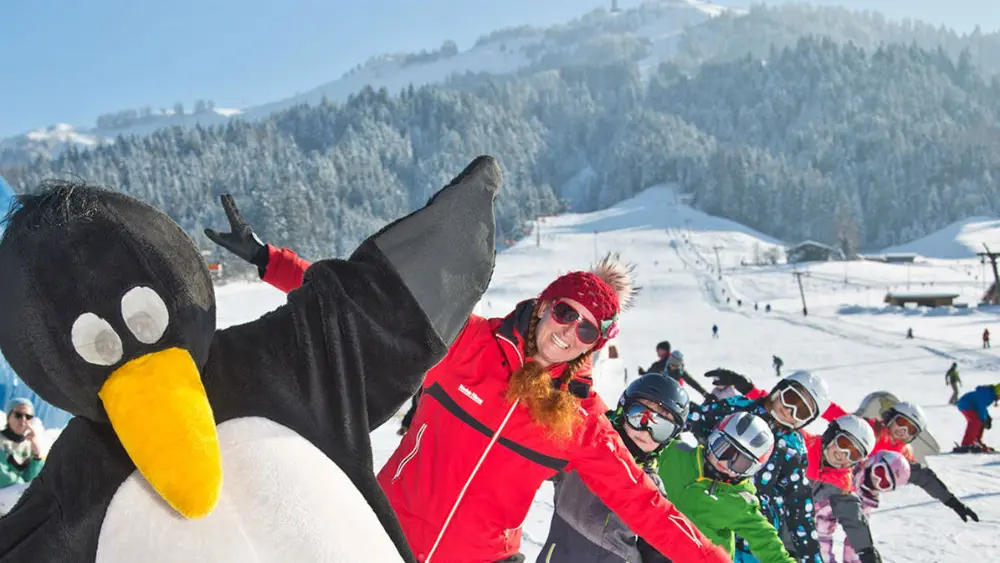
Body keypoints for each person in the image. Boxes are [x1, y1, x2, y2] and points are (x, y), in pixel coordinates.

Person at [233, 245, 732, 563]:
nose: (568, 332)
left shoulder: (579, 422)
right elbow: (370, 311)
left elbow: (644, 505)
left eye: (586, 329)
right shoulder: (467, 342)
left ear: (593, 346)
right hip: (380, 538)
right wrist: (274, 263)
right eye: (565, 312)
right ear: (544, 305)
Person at [536, 372, 690, 563]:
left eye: (661, 428)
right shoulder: (587, 448)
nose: (646, 431)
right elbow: (532, 460)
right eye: (640, 416)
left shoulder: (651, 488)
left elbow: (659, 548)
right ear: (624, 411)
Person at [699, 370, 830, 563]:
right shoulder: (737, 410)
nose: (790, 410)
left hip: (752, 536)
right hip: (707, 514)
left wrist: (811, 557)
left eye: (801, 412)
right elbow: (694, 420)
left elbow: (798, 505)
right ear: (779, 390)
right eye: (791, 399)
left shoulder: (792, 448)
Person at [642, 412, 794, 563]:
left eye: (740, 463)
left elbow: (767, 542)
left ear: (750, 470)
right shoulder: (675, 453)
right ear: (713, 438)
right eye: (723, 449)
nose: (725, 462)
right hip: (647, 546)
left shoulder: (738, 501)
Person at [815, 450, 910, 563]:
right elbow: (821, 534)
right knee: (823, 524)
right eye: (879, 472)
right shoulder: (845, 471)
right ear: (872, 462)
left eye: (884, 484)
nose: (878, 480)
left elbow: (855, 541)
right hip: (810, 509)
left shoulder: (866, 501)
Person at [1, 398, 46, 489]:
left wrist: (36, 455)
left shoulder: (29, 445)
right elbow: (2, 478)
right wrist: (23, 486)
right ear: (8, 417)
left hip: (19, 494)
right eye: (18, 415)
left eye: (28, 417)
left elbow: (34, 478)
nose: (23, 420)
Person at [955, 384, 999, 452]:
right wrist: (984, 419)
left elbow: (983, 407)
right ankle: (967, 443)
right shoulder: (987, 394)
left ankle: (976, 441)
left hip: (972, 405)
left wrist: (987, 417)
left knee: (979, 422)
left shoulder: (990, 394)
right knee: (976, 422)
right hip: (966, 404)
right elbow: (981, 406)